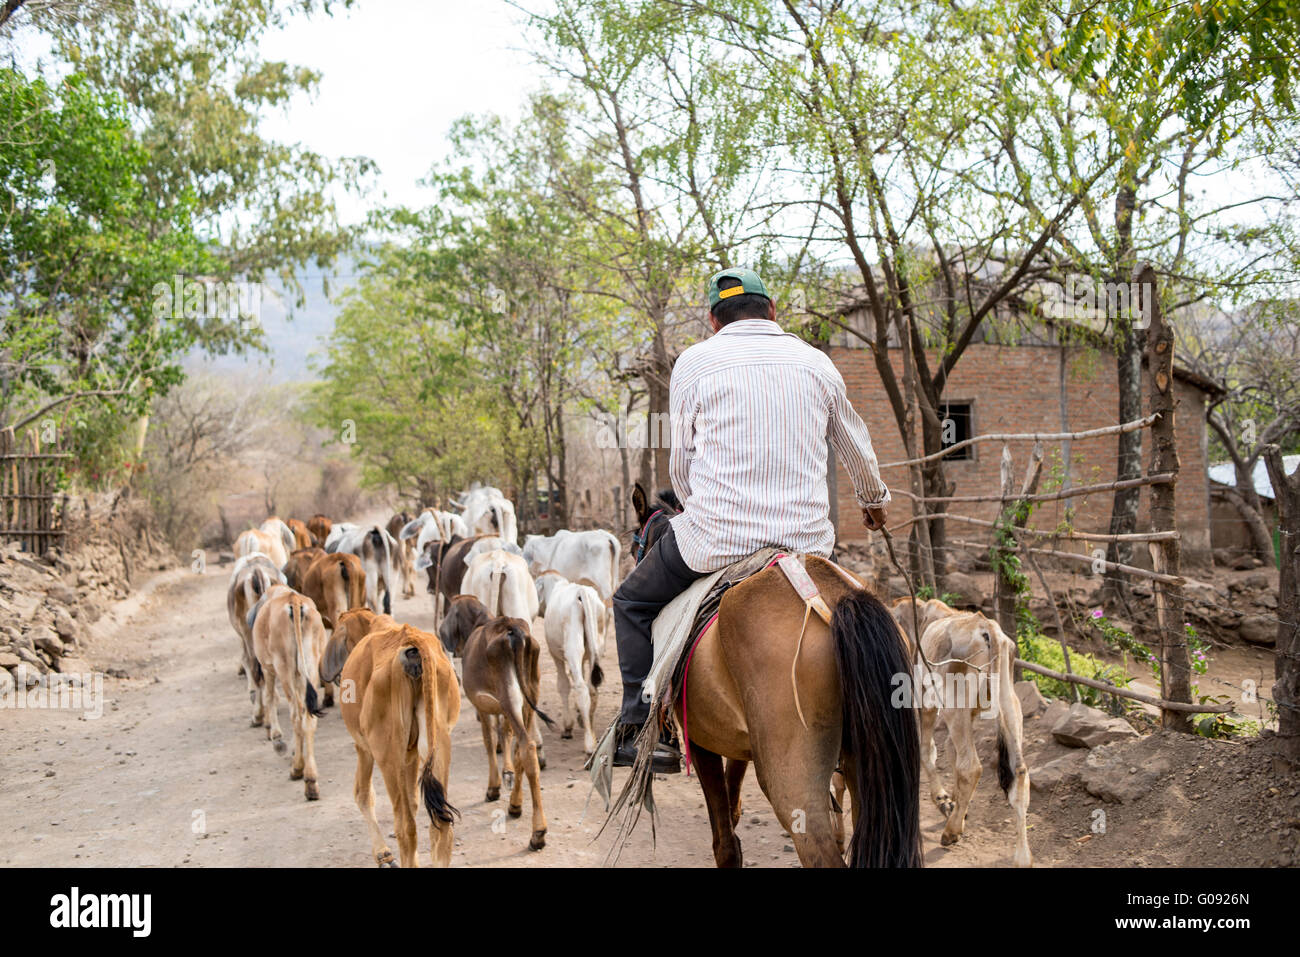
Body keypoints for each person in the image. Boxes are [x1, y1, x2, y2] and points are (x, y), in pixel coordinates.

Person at [611, 267, 891, 771]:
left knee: (630, 600)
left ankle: (640, 729)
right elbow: (855, 445)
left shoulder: (695, 362)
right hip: (805, 546)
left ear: (714, 322)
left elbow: (683, 463)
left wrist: (700, 507)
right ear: (773, 310)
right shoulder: (816, 362)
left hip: (717, 541)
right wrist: (873, 501)